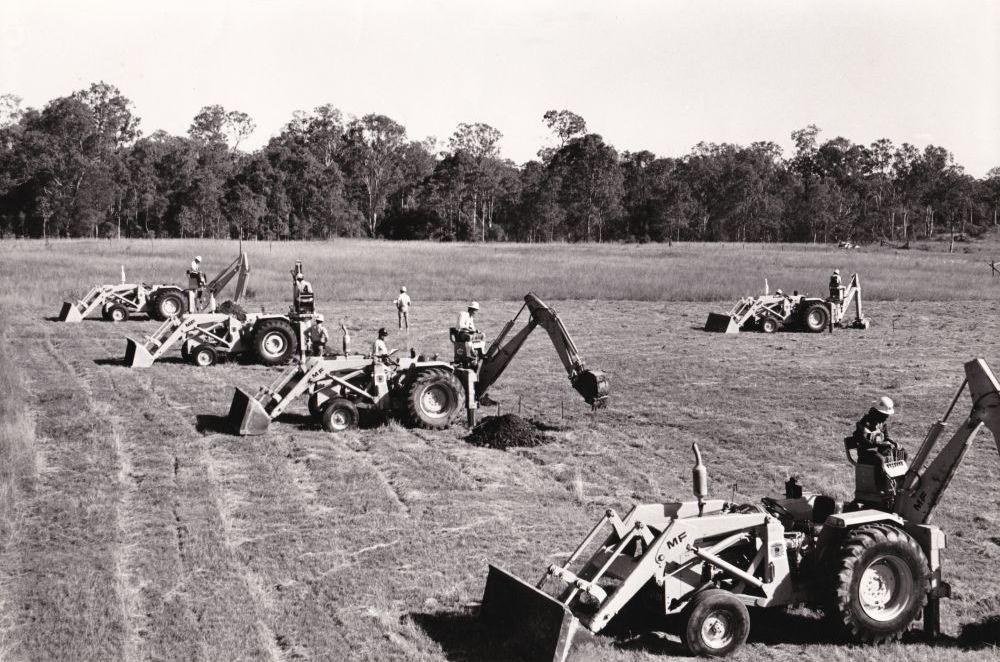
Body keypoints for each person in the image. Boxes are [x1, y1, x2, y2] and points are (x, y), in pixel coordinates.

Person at [851, 396, 897, 465]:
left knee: (902, 453)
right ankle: (881, 476)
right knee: (880, 459)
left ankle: (898, 475)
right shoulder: (865, 422)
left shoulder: (881, 423)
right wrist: (880, 444)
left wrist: (893, 442)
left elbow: (886, 436)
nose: (887, 417)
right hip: (865, 455)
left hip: (879, 451)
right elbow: (863, 440)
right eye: (885, 415)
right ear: (877, 413)